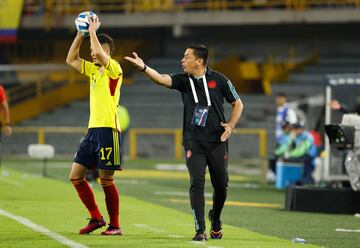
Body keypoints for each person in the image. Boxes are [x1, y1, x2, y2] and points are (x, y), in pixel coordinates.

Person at [125, 44, 243, 241]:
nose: (182, 59)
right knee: (197, 183)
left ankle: (216, 219)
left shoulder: (220, 79)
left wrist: (230, 125)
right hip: (193, 141)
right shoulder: (183, 80)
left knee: (221, 186)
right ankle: (200, 230)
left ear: (199, 61)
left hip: (217, 140)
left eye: (187, 56)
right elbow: (161, 79)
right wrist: (144, 68)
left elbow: (238, 103)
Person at [66, 16, 123, 235]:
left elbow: (99, 53)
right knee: (75, 176)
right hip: (92, 131)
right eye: (91, 48)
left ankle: (115, 225)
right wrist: (81, 33)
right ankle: (97, 218)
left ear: (109, 52)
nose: (93, 51)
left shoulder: (114, 69)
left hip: (109, 130)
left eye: (97, 47)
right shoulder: (92, 71)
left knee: (106, 179)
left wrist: (92, 30)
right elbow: (71, 59)